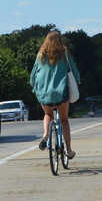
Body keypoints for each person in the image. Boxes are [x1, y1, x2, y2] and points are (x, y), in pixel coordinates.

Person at [30, 30, 81, 160]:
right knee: (64, 119)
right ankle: (69, 151)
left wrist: (33, 86)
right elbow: (73, 70)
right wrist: (78, 81)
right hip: (60, 92)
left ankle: (46, 135)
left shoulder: (41, 54)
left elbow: (33, 73)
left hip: (44, 93)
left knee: (48, 114)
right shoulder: (64, 54)